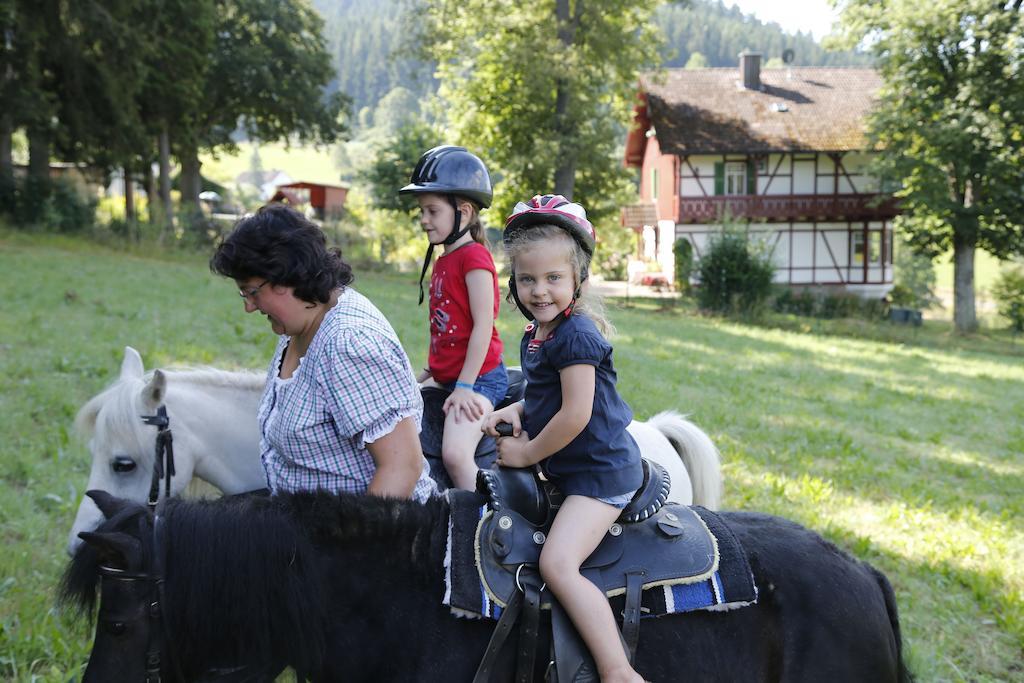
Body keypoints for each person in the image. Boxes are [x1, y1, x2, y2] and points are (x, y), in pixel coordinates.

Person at [482, 195, 645, 683]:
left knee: (557, 563)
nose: (540, 290)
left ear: (578, 280)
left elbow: (576, 413)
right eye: (528, 279)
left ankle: (617, 668)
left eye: (554, 278)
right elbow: (544, 397)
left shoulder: (576, 335)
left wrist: (529, 452)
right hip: (571, 468)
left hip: (600, 474)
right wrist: (513, 409)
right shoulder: (538, 334)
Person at [210, 203, 437, 502]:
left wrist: (351, 544)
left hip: (365, 538)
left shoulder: (348, 344)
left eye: (252, 292)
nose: (249, 306)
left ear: (286, 276)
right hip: (305, 530)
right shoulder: (301, 323)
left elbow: (401, 469)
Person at [399, 145, 507, 490]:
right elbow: (445, 326)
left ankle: (484, 522)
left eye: (432, 210)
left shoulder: (474, 258)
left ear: (463, 212)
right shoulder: (444, 259)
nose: (424, 219)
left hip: (478, 379)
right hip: (448, 375)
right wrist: (430, 371)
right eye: (422, 211)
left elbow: (481, 327)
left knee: (455, 455)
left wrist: (463, 387)